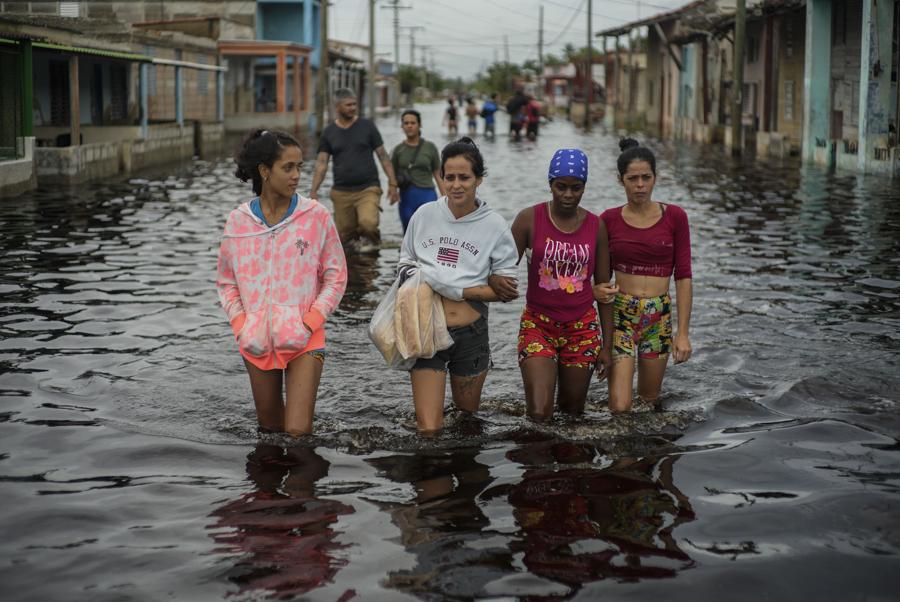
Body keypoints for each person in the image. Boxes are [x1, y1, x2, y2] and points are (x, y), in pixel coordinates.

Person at [217, 129, 348, 435]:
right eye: (288, 167)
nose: (296, 176)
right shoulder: (238, 222)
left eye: (300, 167)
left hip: (306, 338)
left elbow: (336, 277)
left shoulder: (316, 216)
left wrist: (309, 322)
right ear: (265, 171)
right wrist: (242, 326)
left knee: (298, 434)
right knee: (269, 431)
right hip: (256, 341)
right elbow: (226, 282)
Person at [397, 137, 519, 434]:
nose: (456, 185)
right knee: (429, 430)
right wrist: (461, 286)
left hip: (471, 335)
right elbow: (403, 267)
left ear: (479, 179)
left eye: (464, 177)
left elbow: (506, 291)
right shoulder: (425, 215)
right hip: (426, 331)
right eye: (449, 177)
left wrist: (451, 286)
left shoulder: (495, 226)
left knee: (467, 425)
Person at [509, 148, 613, 422]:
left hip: (582, 329)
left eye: (576, 188)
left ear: (584, 187)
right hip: (537, 324)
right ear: (550, 185)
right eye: (561, 187)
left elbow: (604, 290)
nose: (568, 195)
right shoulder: (528, 220)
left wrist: (607, 347)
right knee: (539, 413)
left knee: (572, 414)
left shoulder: (596, 226)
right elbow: (501, 270)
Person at [594, 138, 693, 413]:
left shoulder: (675, 217)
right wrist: (595, 290)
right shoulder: (608, 220)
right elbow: (596, 275)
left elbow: (683, 276)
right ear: (621, 180)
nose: (640, 185)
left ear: (655, 178)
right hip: (621, 314)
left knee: (649, 403)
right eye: (633, 178)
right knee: (620, 407)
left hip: (658, 317)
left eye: (646, 178)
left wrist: (682, 334)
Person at [309, 87, 399, 253]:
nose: (353, 108)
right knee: (344, 239)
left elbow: (383, 156)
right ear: (337, 107)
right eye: (348, 105)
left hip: (368, 188)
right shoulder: (329, 132)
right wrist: (313, 191)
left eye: (354, 104)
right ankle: (356, 257)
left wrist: (393, 183)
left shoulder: (367, 126)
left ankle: (373, 250)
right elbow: (322, 163)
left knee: (368, 223)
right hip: (341, 191)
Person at [390, 109, 445, 232]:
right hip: (406, 197)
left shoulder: (430, 147)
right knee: (408, 230)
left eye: (413, 123)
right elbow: (392, 174)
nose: (409, 126)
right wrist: (392, 190)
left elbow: (437, 173)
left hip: (427, 195)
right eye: (406, 123)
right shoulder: (398, 150)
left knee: (429, 231)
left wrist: (446, 197)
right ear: (402, 126)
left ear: (419, 125)